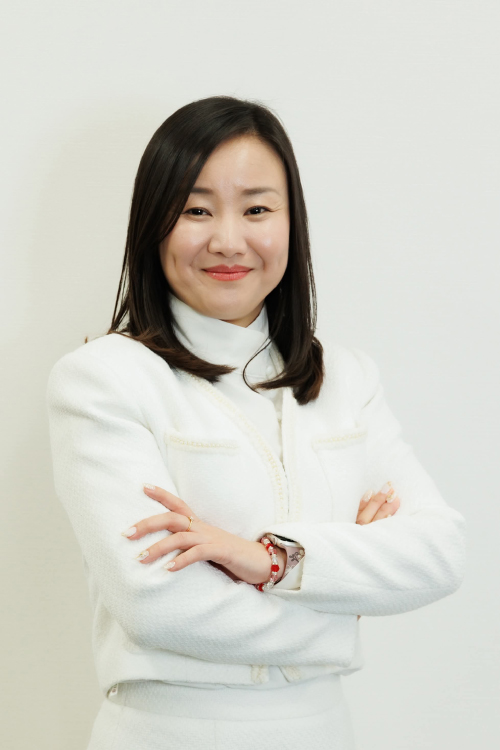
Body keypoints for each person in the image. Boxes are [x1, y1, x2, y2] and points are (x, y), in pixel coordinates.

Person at [46, 95, 466, 750]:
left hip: (324, 730)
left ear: (292, 223)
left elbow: (439, 552)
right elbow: (157, 604)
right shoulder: (104, 379)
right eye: (196, 210)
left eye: (257, 209)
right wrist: (344, 602)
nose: (228, 240)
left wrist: (268, 560)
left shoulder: (346, 378)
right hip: (170, 732)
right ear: (154, 223)